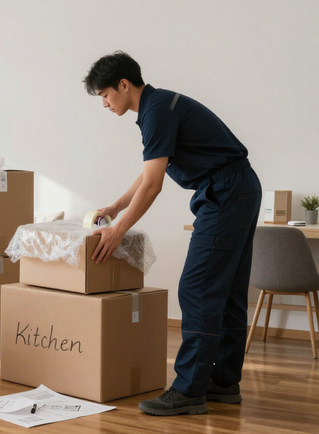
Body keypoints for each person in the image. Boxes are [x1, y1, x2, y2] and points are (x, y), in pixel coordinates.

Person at [83, 51, 261, 416]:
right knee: (225, 291)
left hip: (226, 192)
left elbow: (153, 186)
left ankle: (189, 390)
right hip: (236, 188)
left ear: (124, 85)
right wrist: (116, 207)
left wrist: (117, 231)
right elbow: (150, 169)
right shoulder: (157, 107)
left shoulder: (157, 111)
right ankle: (224, 383)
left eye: (105, 95)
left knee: (197, 288)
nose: (104, 103)